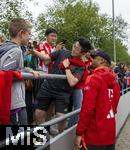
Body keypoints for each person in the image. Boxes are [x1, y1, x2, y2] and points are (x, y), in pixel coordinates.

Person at [30, 37, 92, 132]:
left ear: (83, 53)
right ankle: (43, 136)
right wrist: (33, 51)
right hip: (48, 87)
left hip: (63, 92)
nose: (73, 49)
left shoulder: (81, 66)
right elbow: (46, 58)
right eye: (74, 46)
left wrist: (67, 67)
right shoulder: (62, 52)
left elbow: (72, 82)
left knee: (61, 118)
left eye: (77, 49)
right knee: (38, 113)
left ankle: (60, 138)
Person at [74, 50, 120, 150]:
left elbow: (87, 109)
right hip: (110, 132)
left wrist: (79, 133)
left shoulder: (93, 78)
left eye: (94, 58)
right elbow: (114, 108)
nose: (92, 60)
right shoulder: (115, 81)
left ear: (101, 61)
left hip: (94, 135)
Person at [0, 18, 32, 125]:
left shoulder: (5, 47)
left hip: (9, 102)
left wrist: (25, 70)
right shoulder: (16, 51)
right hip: (14, 103)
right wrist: (25, 75)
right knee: (20, 137)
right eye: (29, 34)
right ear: (21, 33)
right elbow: (4, 74)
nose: (29, 37)